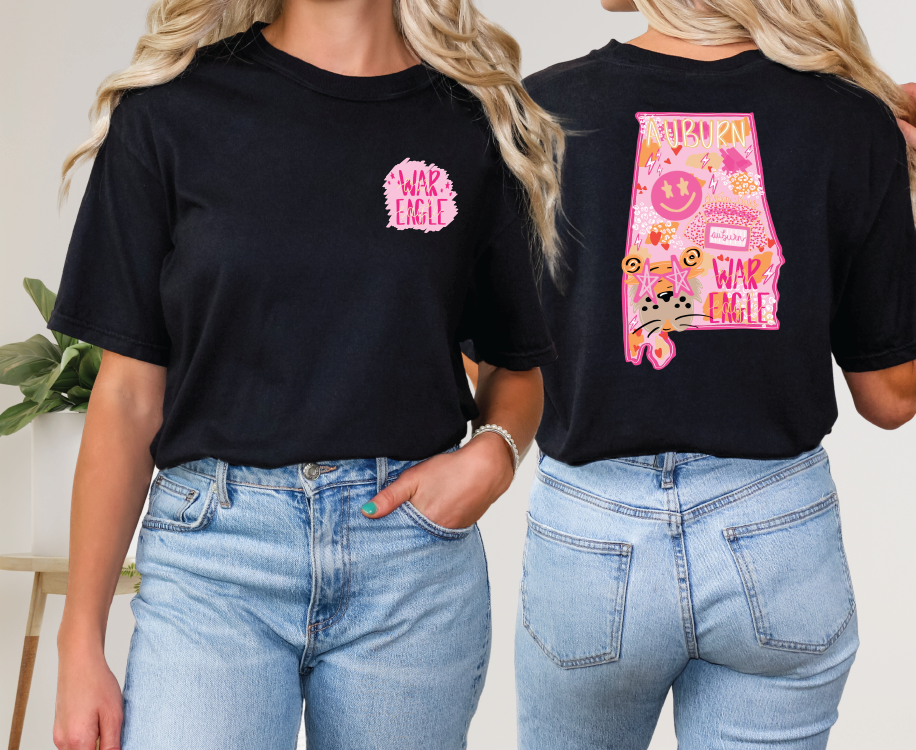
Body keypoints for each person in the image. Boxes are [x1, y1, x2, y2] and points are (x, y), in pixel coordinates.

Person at [50, 1, 563, 749]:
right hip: (216, 560)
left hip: (408, 567)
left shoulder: (475, 124)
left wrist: (495, 453)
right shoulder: (169, 112)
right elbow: (127, 397)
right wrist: (79, 643)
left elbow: (518, 370)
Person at [504, 1, 916, 748]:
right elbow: (891, 397)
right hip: (776, 539)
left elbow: (486, 358)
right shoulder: (846, 116)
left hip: (594, 547)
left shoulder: (539, 109)